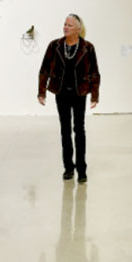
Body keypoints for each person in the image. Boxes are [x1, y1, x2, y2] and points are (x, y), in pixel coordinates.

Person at [38, 14, 100, 183]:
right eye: (65, 24)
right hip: (61, 93)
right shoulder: (55, 46)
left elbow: (94, 73)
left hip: (79, 94)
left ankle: (82, 169)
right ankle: (68, 168)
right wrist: (41, 92)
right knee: (65, 131)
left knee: (79, 130)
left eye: (70, 25)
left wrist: (94, 96)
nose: (65, 27)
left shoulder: (88, 48)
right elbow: (44, 69)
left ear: (78, 29)